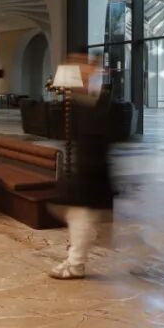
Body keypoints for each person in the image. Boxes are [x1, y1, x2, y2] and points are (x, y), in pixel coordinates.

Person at [46, 54, 115, 280]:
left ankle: (76, 263)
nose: (79, 74)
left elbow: (98, 138)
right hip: (88, 170)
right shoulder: (83, 101)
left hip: (92, 173)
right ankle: (79, 253)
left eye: (83, 69)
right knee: (75, 215)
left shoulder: (97, 100)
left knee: (79, 216)